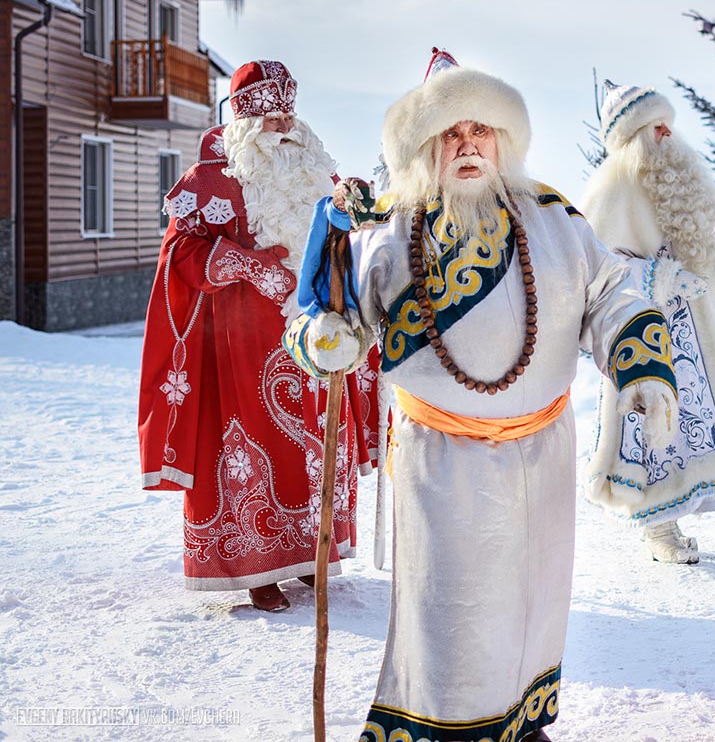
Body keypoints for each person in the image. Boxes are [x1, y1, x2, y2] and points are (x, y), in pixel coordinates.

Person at [286, 48, 678, 742]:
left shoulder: (557, 221)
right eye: (451, 134)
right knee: (451, 618)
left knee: (531, 607)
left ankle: (523, 728)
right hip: (443, 464)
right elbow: (326, 321)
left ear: (504, 141)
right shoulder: (387, 234)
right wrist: (328, 338)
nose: (468, 145)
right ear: (426, 148)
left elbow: (613, 293)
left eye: (481, 130)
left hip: (542, 460)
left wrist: (640, 366)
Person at [138, 60, 380, 613]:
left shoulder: (317, 172)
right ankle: (255, 566)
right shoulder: (212, 180)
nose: (284, 125)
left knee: (319, 445)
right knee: (255, 447)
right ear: (246, 119)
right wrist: (248, 266)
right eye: (271, 117)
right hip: (241, 343)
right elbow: (180, 252)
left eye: (289, 114)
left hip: (316, 335)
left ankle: (312, 554)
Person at [578, 81, 715, 564]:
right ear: (632, 134)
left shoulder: (681, 176)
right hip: (643, 331)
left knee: (691, 426)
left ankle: (672, 518)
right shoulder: (611, 187)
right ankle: (657, 528)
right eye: (654, 124)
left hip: (695, 334)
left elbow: (710, 241)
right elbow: (597, 268)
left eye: (667, 123)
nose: (666, 131)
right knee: (648, 425)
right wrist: (665, 277)